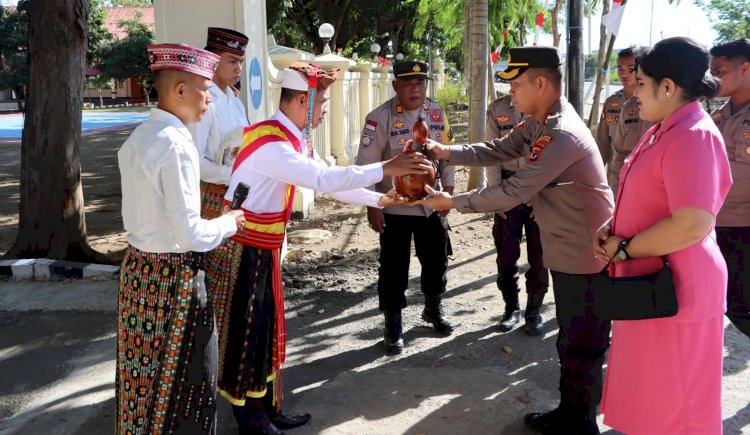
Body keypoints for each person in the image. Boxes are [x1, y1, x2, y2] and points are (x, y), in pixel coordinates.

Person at [219, 63, 432, 434]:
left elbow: (332, 187)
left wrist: (381, 200)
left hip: (263, 249)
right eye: (322, 103)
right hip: (247, 251)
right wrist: (387, 167)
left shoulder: (290, 139)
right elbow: (322, 178)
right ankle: (250, 420)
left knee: (266, 332)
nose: (325, 110)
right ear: (304, 100)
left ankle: (267, 408)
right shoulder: (272, 144)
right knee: (250, 337)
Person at [415, 47, 614, 435]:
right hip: (566, 243)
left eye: (517, 84)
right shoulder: (537, 122)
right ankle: (569, 413)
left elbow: (515, 189)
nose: (511, 92)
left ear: (541, 84)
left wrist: (452, 202)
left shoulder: (561, 133)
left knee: (583, 344)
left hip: (587, 250)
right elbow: (498, 149)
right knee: (571, 341)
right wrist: (446, 152)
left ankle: (582, 423)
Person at [594, 37, 732, 435]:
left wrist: (625, 248)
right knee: (652, 397)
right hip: (653, 282)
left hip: (678, 289)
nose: (633, 93)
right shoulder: (665, 129)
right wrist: (615, 228)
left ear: (667, 87)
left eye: (640, 83)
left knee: (678, 408)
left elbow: (692, 223)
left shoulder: (693, 134)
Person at [115, 43, 246, 434]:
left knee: (141, 382)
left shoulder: (140, 136)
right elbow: (191, 234)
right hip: (176, 280)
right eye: (205, 89)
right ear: (180, 92)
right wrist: (229, 222)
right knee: (191, 389)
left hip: (139, 273)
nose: (210, 98)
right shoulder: (177, 145)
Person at [356, 60, 456, 355]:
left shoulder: (436, 113)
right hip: (395, 208)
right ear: (396, 85)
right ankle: (393, 322)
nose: (416, 89)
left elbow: (447, 156)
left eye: (421, 83)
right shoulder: (379, 119)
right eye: (409, 83)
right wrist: (371, 206)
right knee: (394, 268)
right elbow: (366, 166)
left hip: (431, 204)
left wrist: (448, 192)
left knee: (437, 260)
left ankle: (432, 309)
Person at [189, 27, 252, 374]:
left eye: (240, 61)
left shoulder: (234, 100)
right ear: (213, 61)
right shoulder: (206, 100)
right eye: (231, 61)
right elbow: (196, 160)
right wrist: (233, 176)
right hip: (213, 200)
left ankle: (230, 360)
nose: (237, 68)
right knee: (217, 285)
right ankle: (213, 364)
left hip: (236, 198)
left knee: (236, 287)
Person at [485, 94, 548, 335]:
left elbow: (556, 155)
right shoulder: (497, 109)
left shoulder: (548, 109)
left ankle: (534, 311)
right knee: (506, 254)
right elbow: (491, 153)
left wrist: (541, 194)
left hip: (539, 190)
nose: (515, 87)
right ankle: (511, 308)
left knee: (539, 255)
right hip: (507, 188)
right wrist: (495, 195)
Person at [709, 38, 750, 340]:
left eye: (719, 71)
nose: (712, 79)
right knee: (731, 304)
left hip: (745, 230)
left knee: (739, 306)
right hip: (718, 227)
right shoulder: (719, 116)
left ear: (745, 68)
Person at [594, 47, 653, 194]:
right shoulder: (611, 102)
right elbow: (602, 143)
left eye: (630, 69)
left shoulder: (651, 102)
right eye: (620, 69)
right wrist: (594, 178)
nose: (624, 74)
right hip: (615, 175)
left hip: (642, 174)